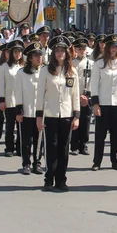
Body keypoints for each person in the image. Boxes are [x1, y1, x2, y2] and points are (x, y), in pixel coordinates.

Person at [36, 36, 80, 191]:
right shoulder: (45, 71)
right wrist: (39, 116)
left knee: (64, 148)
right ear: (53, 53)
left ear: (67, 53)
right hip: (50, 114)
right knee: (51, 148)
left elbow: (75, 94)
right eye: (57, 50)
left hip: (67, 114)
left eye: (63, 50)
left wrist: (76, 116)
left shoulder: (72, 71)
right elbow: (40, 94)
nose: (60, 53)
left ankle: (61, 179)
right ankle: (49, 178)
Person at [90, 34, 117, 171]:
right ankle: (97, 161)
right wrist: (95, 103)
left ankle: (115, 160)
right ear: (106, 48)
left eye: (116, 47)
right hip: (103, 103)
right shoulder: (99, 64)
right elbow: (94, 85)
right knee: (100, 135)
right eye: (111, 47)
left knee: (116, 135)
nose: (113, 50)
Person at [15, 42, 45, 175]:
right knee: (26, 140)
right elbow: (18, 92)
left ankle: (37, 163)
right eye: (36, 56)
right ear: (30, 58)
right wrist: (19, 111)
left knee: (39, 139)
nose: (39, 58)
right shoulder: (21, 73)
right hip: (26, 111)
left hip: (41, 112)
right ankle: (26, 163)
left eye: (40, 55)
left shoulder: (45, 72)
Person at [0, 40, 25, 156]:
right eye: (15, 52)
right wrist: (1, 100)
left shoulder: (25, 67)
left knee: (21, 127)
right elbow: (1, 85)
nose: (18, 54)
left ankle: (20, 147)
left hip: (22, 101)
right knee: (9, 126)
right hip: (10, 100)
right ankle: (9, 147)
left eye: (20, 52)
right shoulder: (4, 67)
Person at [70, 38, 93, 156]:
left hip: (86, 96)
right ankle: (73, 145)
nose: (82, 51)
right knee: (74, 120)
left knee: (86, 121)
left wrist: (86, 95)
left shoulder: (90, 63)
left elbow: (92, 81)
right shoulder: (71, 63)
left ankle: (83, 145)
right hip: (74, 96)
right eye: (79, 49)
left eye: (83, 48)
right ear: (75, 50)